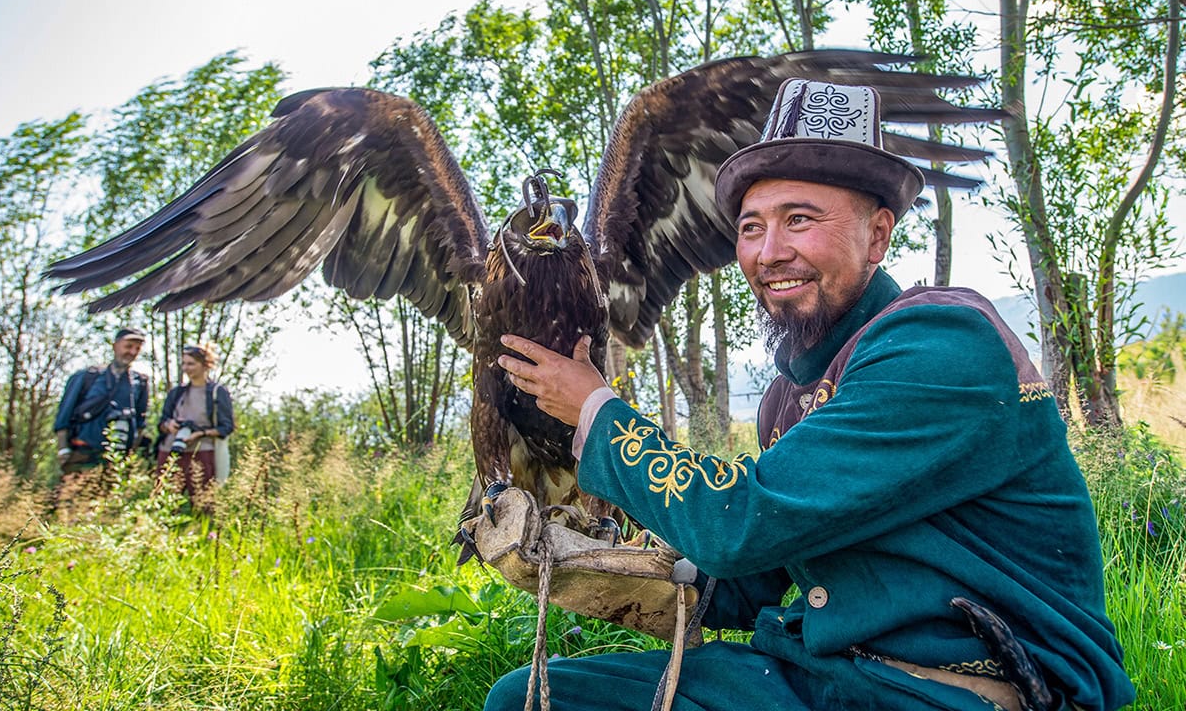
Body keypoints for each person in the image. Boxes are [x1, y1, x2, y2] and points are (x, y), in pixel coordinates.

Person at [486, 80, 1135, 711]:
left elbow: (741, 524)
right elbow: (754, 580)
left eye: (799, 219)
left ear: (877, 236)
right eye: (751, 228)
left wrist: (596, 411)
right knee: (528, 697)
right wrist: (587, 563)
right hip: (823, 674)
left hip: (964, 688)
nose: (770, 253)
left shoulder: (942, 345)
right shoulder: (787, 397)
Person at [54, 327, 150, 473]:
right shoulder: (86, 377)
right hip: (82, 455)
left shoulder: (140, 383)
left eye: (137, 348)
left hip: (116, 460)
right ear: (115, 346)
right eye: (128, 346)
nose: (132, 352)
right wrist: (63, 450)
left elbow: (140, 423)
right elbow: (64, 417)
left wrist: (129, 457)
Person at [154, 343, 235, 503]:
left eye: (191, 364)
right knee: (164, 502)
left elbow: (227, 427)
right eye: (184, 364)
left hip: (202, 452)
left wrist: (200, 433)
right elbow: (162, 422)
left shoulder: (217, 392)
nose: (186, 368)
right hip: (171, 451)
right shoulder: (176, 392)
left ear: (205, 365)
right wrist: (169, 425)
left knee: (203, 504)